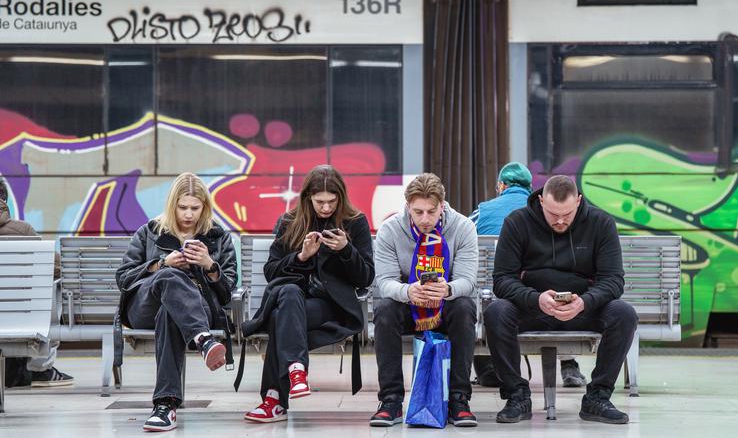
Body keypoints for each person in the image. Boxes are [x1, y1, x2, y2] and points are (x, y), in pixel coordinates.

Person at [485, 175, 637, 425]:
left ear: (578, 201)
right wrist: (535, 299)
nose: (560, 220)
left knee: (623, 313)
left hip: (583, 309)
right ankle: (517, 396)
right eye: (553, 213)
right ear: (541, 200)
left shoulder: (601, 223)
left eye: (567, 214)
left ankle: (597, 397)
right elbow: (502, 280)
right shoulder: (517, 223)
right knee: (496, 312)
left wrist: (585, 302)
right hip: (532, 309)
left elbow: (613, 281)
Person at [241, 164, 374, 424]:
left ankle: (274, 400)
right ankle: (296, 371)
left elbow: (365, 278)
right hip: (292, 299)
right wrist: (301, 256)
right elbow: (271, 271)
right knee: (288, 295)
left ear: (341, 198)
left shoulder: (355, 222)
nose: (326, 208)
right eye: (319, 202)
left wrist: (347, 250)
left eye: (332, 202)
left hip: (330, 306)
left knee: (281, 318)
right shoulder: (291, 221)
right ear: (308, 198)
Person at [116, 172, 236, 432]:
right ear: (173, 205)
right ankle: (203, 340)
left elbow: (228, 293)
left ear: (205, 207)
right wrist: (160, 264)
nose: (189, 214)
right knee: (169, 274)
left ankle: (165, 406)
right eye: (182, 207)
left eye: (195, 208)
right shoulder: (150, 232)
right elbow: (123, 278)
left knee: (170, 313)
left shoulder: (217, 237)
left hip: (195, 309)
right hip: (145, 306)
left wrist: (209, 265)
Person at [370, 173, 479, 427]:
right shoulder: (391, 229)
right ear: (408, 206)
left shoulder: (463, 227)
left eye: (431, 211)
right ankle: (391, 400)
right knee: (384, 309)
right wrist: (407, 292)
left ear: (443, 205)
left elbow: (467, 280)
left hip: (447, 307)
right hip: (408, 307)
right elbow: (384, 282)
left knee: (465, 307)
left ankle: (458, 399)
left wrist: (447, 289)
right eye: (418, 212)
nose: (425, 220)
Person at [470, 163, 586, 388]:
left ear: (501, 186)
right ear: (531, 189)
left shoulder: (483, 211)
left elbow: (463, 240)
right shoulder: (540, 214)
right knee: (559, 290)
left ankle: (488, 370)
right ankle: (569, 364)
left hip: (491, 297)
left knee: (488, 302)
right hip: (540, 295)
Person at [0, 177, 73, 388]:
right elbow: (58, 267)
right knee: (52, 288)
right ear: (4, 200)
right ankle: (41, 369)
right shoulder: (22, 231)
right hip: (18, 319)